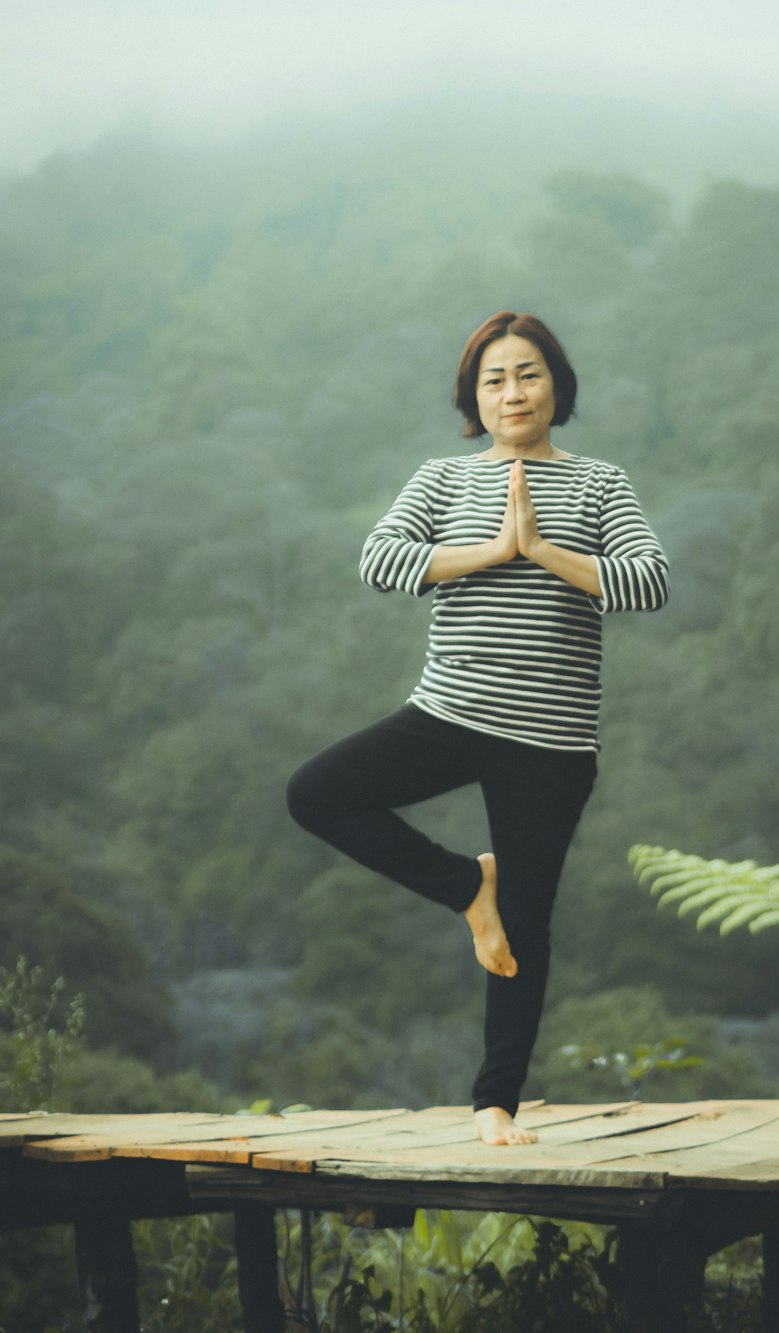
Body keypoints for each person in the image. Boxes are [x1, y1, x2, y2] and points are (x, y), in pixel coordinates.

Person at [286, 310, 669, 1145]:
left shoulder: (600, 482)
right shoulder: (442, 479)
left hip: (552, 740)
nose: (513, 391)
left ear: (556, 386)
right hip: (448, 712)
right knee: (315, 792)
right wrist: (494, 550)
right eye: (494, 378)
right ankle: (467, 886)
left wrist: (545, 551)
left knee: (525, 926)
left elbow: (648, 582)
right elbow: (380, 560)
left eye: (528, 373)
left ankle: (495, 1104)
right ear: (474, 396)